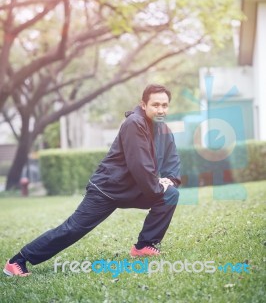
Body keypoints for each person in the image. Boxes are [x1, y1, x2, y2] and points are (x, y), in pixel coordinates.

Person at [3, 84, 181, 277]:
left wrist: (170, 181)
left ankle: (144, 245)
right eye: (156, 105)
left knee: (170, 194)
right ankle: (18, 260)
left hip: (134, 188)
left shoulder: (164, 130)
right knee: (73, 229)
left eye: (165, 105)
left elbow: (172, 160)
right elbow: (139, 164)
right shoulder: (134, 123)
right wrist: (156, 187)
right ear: (143, 105)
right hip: (107, 189)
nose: (161, 110)